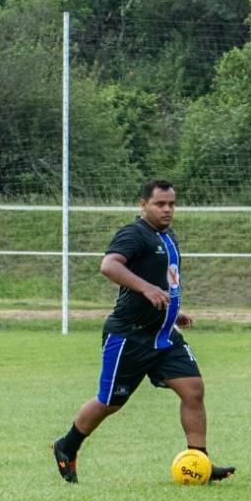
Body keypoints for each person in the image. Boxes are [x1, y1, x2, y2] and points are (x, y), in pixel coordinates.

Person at [51, 180, 234, 484]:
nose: (167, 209)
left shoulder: (168, 236)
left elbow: (167, 280)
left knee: (193, 390)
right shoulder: (133, 233)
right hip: (129, 335)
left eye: (171, 204)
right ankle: (67, 446)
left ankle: (198, 462)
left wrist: (172, 311)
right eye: (160, 204)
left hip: (163, 335)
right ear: (143, 204)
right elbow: (109, 265)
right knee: (110, 402)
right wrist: (146, 289)